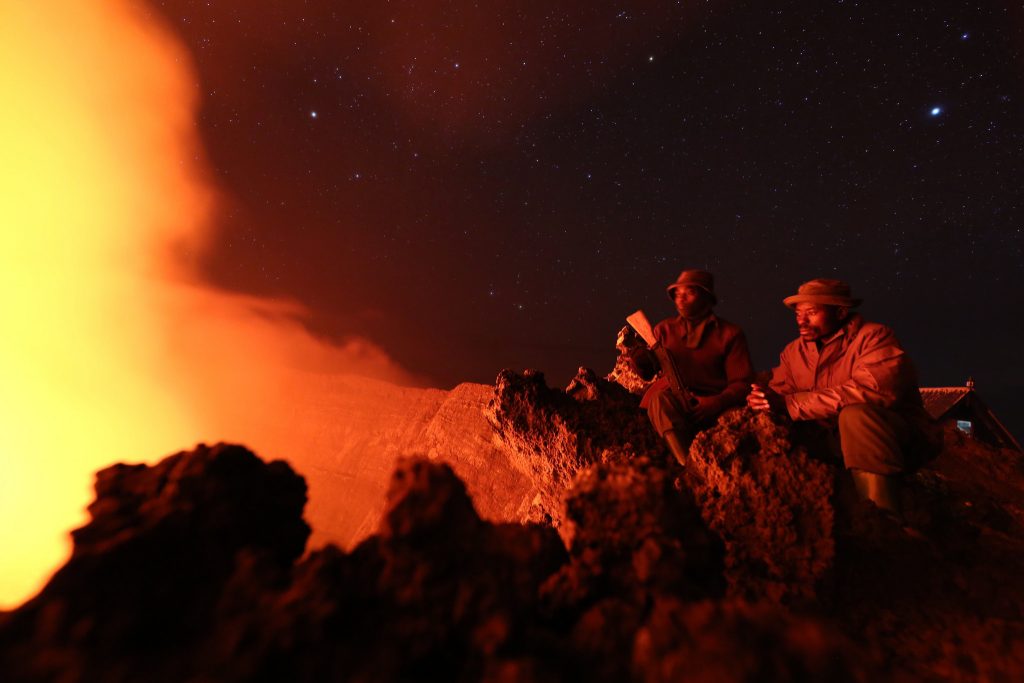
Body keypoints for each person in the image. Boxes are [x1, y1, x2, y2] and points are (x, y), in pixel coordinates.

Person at [747, 278, 940, 514]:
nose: (801, 320)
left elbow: (871, 391)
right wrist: (763, 398)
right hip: (833, 441)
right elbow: (781, 393)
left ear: (840, 312)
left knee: (856, 416)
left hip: (896, 439)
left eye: (811, 312)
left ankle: (884, 517)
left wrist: (791, 403)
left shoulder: (874, 338)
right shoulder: (794, 351)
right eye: (798, 314)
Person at [629, 269, 754, 466]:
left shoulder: (730, 334)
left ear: (705, 296)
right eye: (678, 294)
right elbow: (648, 372)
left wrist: (717, 402)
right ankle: (688, 466)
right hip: (679, 402)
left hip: (719, 406)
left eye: (689, 293)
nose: (681, 298)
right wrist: (638, 359)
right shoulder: (664, 330)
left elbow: (743, 383)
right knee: (659, 401)